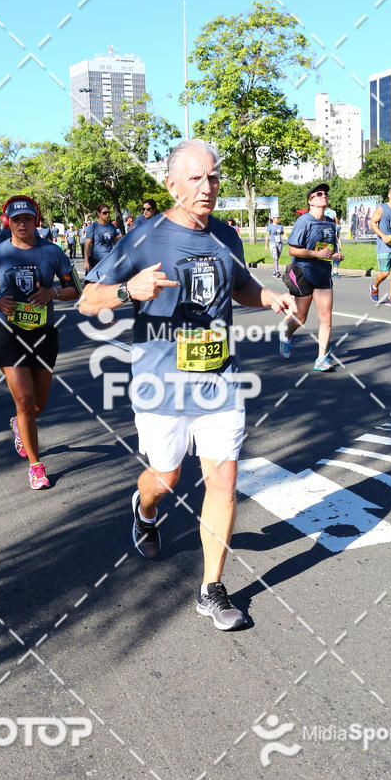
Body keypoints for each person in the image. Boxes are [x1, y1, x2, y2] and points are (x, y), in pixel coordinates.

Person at [79, 139, 296, 631]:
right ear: (172, 184)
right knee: (166, 478)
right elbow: (87, 301)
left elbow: (239, 286)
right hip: (161, 386)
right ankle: (145, 507)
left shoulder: (227, 235)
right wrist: (124, 291)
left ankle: (211, 589)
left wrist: (271, 299)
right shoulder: (142, 238)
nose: (207, 187)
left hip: (219, 382)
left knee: (223, 481)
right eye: (195, 178)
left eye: (213, 177)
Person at [0, 196, 81, 489]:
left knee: (38, 406)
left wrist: (53, 293)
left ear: (36, 221)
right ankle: (36, 466)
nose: (22, 224)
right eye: (16, 219)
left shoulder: (52, 252)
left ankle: (20, 426)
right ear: (8, 222)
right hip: (7, 332)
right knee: (24, 399)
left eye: (28, 219)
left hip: (43, 333)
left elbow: (75, 290)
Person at [280, 183, 344, 372]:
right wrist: (318, 255)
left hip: (323, 274)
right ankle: (286, 335)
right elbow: (293, 249)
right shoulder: (304, 221)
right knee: (300, 317)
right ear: (311, 201)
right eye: (319, 194)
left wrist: (334, 255)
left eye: (325, 193)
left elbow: (326, 249)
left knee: (326, 318)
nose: (324, 196)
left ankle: (321, 359)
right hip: (303, 272)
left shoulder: (331, 223)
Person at [84, 205, 119, 273]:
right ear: (98, 213)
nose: (107, 214)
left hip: (109, 260)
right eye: (104, 213)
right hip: (96, 261)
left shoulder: (111, 227)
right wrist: (86, 261)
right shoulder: (93, 227)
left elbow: (116, 243)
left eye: (108, 212)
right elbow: (87, 245)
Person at [323, 203, 342, 277]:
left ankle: (325, 271)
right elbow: (338, 236)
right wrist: (340, 245)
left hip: (325, 241)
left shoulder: (323, 212)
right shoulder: (333, 212)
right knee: (336, 256)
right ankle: (335, 271)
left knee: (325, 256)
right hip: (334, 242)